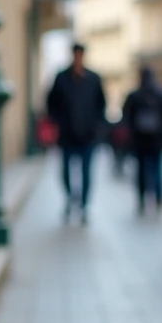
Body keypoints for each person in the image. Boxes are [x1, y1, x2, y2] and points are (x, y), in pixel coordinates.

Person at [47, 43, 107, 224]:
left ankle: (83, 206)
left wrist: (96, 125)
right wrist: (59, 122)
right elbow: (51, 103)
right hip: (67, 135)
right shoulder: (61, 78)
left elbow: (101, 105)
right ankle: (70, 198)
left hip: (88, 136)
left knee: (86, 173)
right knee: (65, 172)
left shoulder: (93, 79)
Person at [122, 67, 162, 215]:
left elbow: (127, 117)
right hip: (154, 141)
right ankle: (157, 198)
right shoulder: (160, 94)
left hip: (142, 141)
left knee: (142, 172)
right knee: (156, 170)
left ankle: (143, 199)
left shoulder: (135, 95)